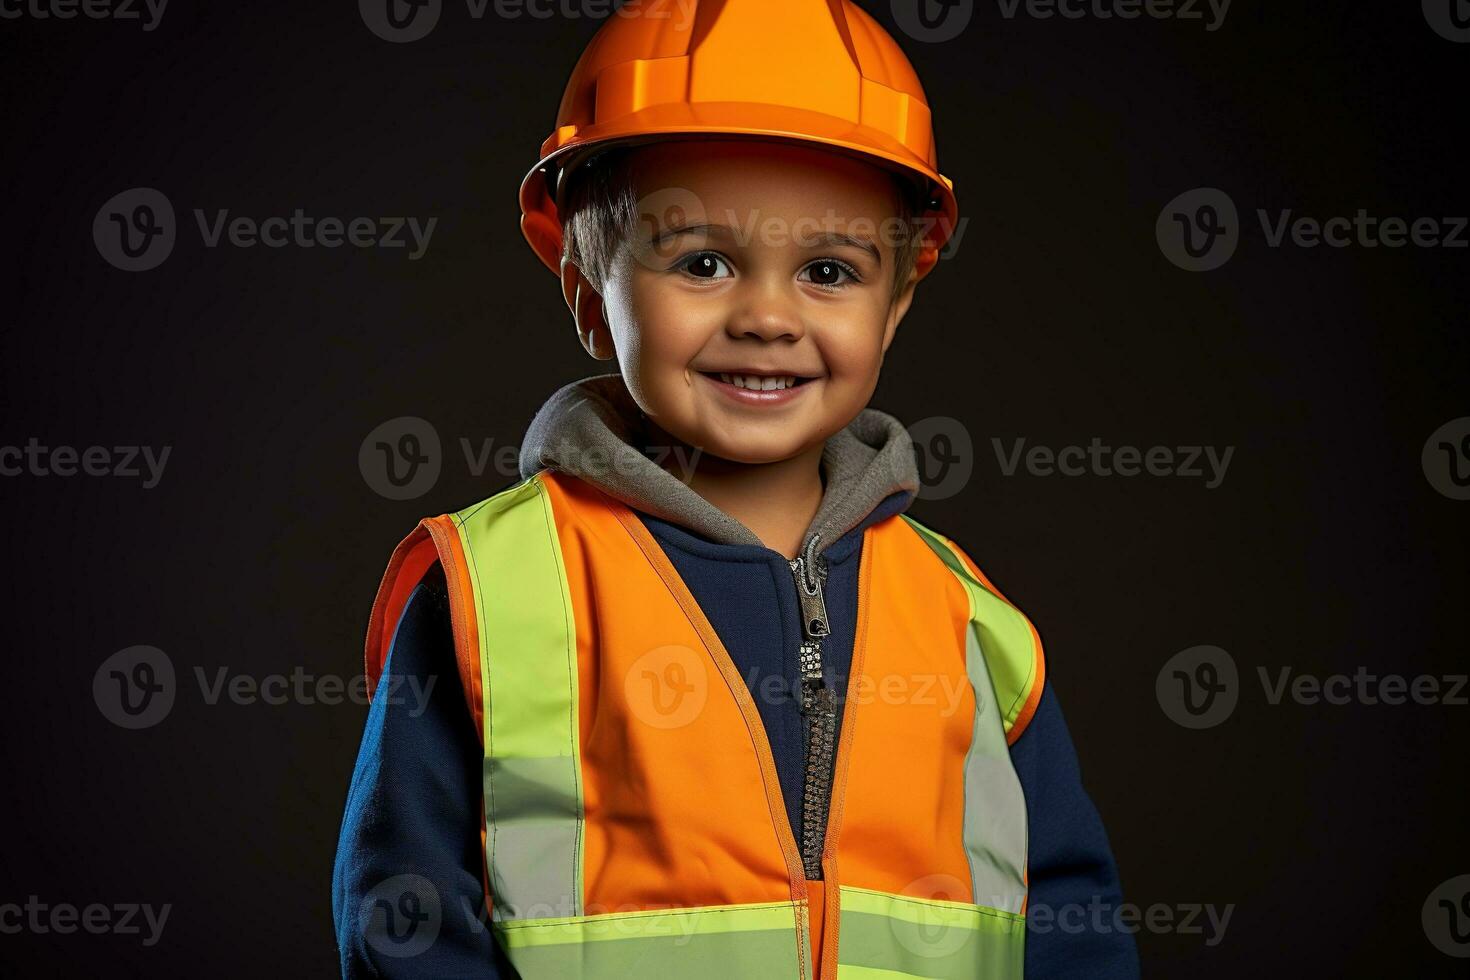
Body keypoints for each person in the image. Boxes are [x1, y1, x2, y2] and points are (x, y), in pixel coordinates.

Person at [333, 2, 1137, 977]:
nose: (766, 315)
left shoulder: (970, 623)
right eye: (702, 262)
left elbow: (1070, 918)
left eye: (829, 269)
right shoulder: (493, 590)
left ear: (895, 305)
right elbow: (405, 915)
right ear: (589, 290)